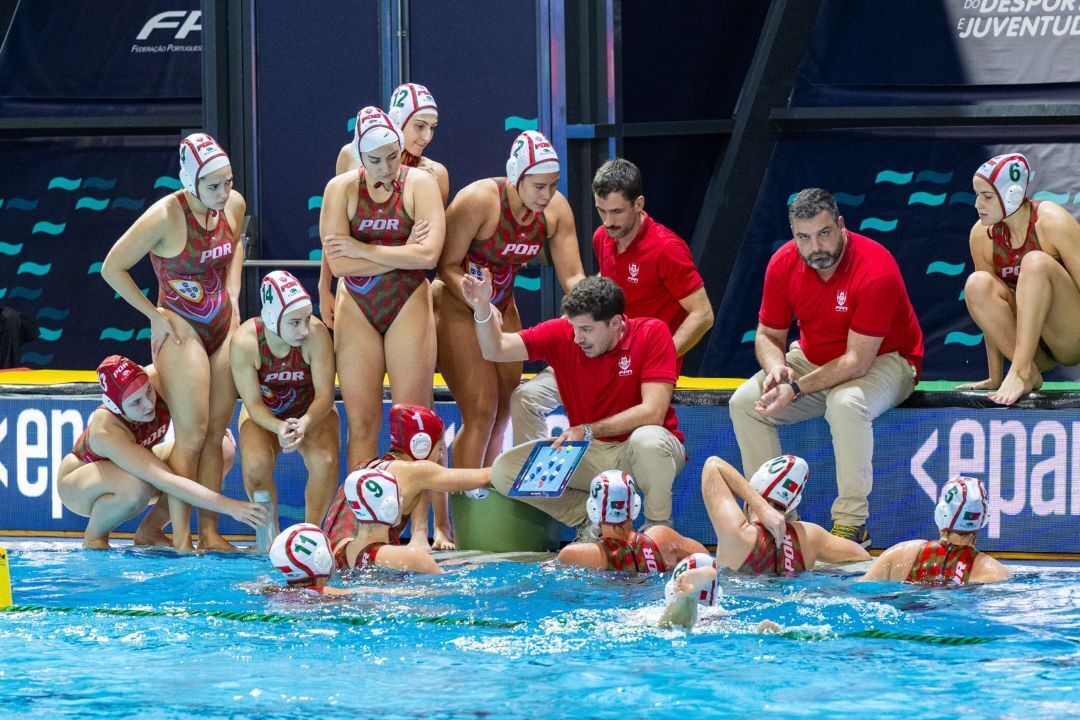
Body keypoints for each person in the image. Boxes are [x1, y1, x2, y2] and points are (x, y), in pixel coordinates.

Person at [728, 188, 924, 548]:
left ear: (841, 225)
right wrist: (776, 368)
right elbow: (768, 335)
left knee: (845, 402)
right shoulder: (782, 263)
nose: (815, 246)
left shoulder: (875, 268)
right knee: (744, 403)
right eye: (803, 237)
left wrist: (796, 388)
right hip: (812, 359)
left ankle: (851, 525)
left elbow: (857, 361)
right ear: (793, 235)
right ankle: (774, 517)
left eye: (823, 233)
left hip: (889, 359)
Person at [101, 132, 246, 551]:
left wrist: (234, 295)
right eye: (213, 185)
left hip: (222, 324)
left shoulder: (233, 205)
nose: (223, 193)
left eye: (228, 182)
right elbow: (112, 267)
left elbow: (236, 246)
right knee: (192, 434)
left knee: (217, 433)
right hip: (181, 328)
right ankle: (180, 538)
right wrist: (154, 315)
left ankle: (210, 534)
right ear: (190, 182)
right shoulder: (165, 215)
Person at [463, 272, 686, 537]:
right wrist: (482, 308)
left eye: (587, 329)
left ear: (616, 323)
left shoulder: (652, 333)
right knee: (505, 472)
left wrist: (588, 430)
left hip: (638, 453)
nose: (578, 338)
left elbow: (653, 412)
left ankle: (658, 529)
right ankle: (591, 518)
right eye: (574, 327)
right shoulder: (563, 334)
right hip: (589, 454)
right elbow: (496, 349)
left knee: (648, 439)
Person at [511, 158, 713, 444]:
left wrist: (660, 357)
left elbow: (702, 314)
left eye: (617, 211)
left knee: (624, 438)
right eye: (601, 211)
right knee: (526, 397)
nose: (608, 222)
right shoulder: (602, 238)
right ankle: (536, 471)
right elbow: (606, 287)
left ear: (639, 204)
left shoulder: (666, 249)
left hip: (636, 364)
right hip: (595, 352)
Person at [433, 130, 584, 475]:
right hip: (458, 305)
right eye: (539, 186)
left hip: (501, 306)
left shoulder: (555, 210)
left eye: (553, 185)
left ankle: (489, 491)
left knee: (505, 408)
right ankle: (467, 496)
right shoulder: (479, 201)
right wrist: (477, 301)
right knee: (481, 409)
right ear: (517, 177)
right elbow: (445, 266)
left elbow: (573, 276)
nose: (547, 195)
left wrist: (595, 305)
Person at [319, 106, 444, 473]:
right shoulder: (340, 189)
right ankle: (362, 508)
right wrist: (403, 252)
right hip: (357, 303)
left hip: (408, 300)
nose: (387, 167)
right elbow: (339, 266)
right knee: (361, 424)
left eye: (392, 156)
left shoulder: (421, 183)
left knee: (415, 424)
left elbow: (428, 256)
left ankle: (419, 512)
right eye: (375, 160)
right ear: (360, 155)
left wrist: (360, 248)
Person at [57, 356, 268, 549]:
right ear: (116, 406)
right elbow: (167, 481)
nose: (149, 404)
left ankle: (151, 530)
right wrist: (231, 507)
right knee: (137, 485)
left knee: (220, 448)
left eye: (148, 391)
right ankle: (94, 538)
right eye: (136, 402)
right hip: (78, 483)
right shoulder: (107, 430)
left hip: (129, 470)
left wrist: (212, 429)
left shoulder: (159, 379)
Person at [323, 83, 450, 330]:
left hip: (406, 291)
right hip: (357, 290)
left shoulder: (434, 175)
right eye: (420, 126)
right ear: (397, 121)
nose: (426, 137)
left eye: (433, 128)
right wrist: (323, 287)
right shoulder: (351, 157)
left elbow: (428, 253)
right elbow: (334, 237)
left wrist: (360, 250)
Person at [960, 153, 1080, 405]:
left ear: (1012, 195)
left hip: (1070, 338)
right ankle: (1027, 372)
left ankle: (1021, 371)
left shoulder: (1052, 221)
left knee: (1035, 263)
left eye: (987, 196)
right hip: (1033, 349)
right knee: (977, 284)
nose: (977, 204)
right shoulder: (981, 235)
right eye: (977, 195)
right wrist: (995, 377)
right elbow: (989, 311)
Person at [230, 271, 339, 531]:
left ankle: (312, 534)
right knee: (256, 465)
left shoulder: (317, 334)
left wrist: (305, 423)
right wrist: (278, 426)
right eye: (294, 322)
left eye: (307, 318)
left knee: (324, 461)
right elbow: (253, 404)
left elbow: (325, 395)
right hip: (264, 415)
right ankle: (270, 537)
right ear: (272, 318)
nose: (304, 329)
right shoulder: (245, 342)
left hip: (311, 409)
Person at [322, 403, 491, 552]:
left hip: (335, 558)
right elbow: (481, 477)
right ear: (421, 446)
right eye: (439, 448)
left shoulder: (366, 466)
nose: (440, 456)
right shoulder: (414, 471)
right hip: (361, 562)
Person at [702, 455, 869, 575]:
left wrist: (761, 506)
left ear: (751, 492)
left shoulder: (737, 534)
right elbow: (861, 555)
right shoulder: (810, 536)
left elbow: (712, 465)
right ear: (791, 505)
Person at [859, 476, 1011, 585]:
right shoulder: (994, 573)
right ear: (984, 517)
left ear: (941, 512)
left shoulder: (897, 555)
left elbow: (861, 592)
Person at [557, 470, 707, 573]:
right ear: (635, 505)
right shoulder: (664, 537)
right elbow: (705, 559)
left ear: (593, 509)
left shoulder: (576, 554)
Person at [326, 468, 441, 574]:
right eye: (399, 495)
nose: (402, 501)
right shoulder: (414, 557)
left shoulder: (338, 550)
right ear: (388, 505)